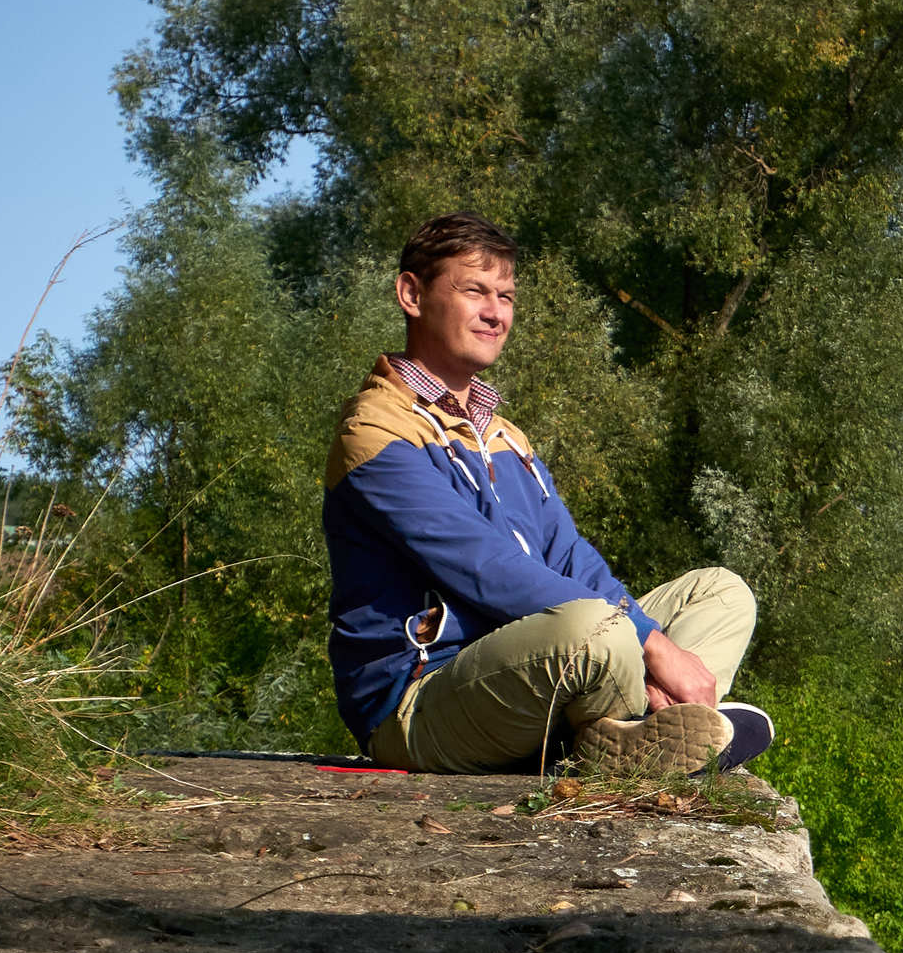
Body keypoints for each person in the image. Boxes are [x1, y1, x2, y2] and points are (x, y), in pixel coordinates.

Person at [323, 213, 772, 778]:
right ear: (412, 294)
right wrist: (654, 648)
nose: (495, 312)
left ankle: (620, 734)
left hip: (538, 665)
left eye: (505, 296)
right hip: (425, 697)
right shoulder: (374, 431)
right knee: (597, 629)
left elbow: (571, 559)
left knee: (721, 592)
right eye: (474, 291)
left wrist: (649, 636)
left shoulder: (506, 436)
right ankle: (639, 730)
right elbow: (490, 570)